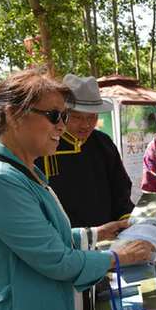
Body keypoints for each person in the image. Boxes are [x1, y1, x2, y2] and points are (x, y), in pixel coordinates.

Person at [0, 68, 154, 310]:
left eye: (64, 116)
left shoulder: (22, 169)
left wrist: (96, 234)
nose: (62, 125)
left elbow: (47, 237)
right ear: (14, 114)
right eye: (55, 116)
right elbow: (55, 259)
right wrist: (118, 257)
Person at [36, 74, 134, 227]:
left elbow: (121, 189)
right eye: (77, 117)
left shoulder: (103, 143)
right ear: (62, 114)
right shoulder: (44, 145)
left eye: (91, 118)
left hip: (107, 236)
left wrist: (125, 220)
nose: (85, 125)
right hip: (64, 239)